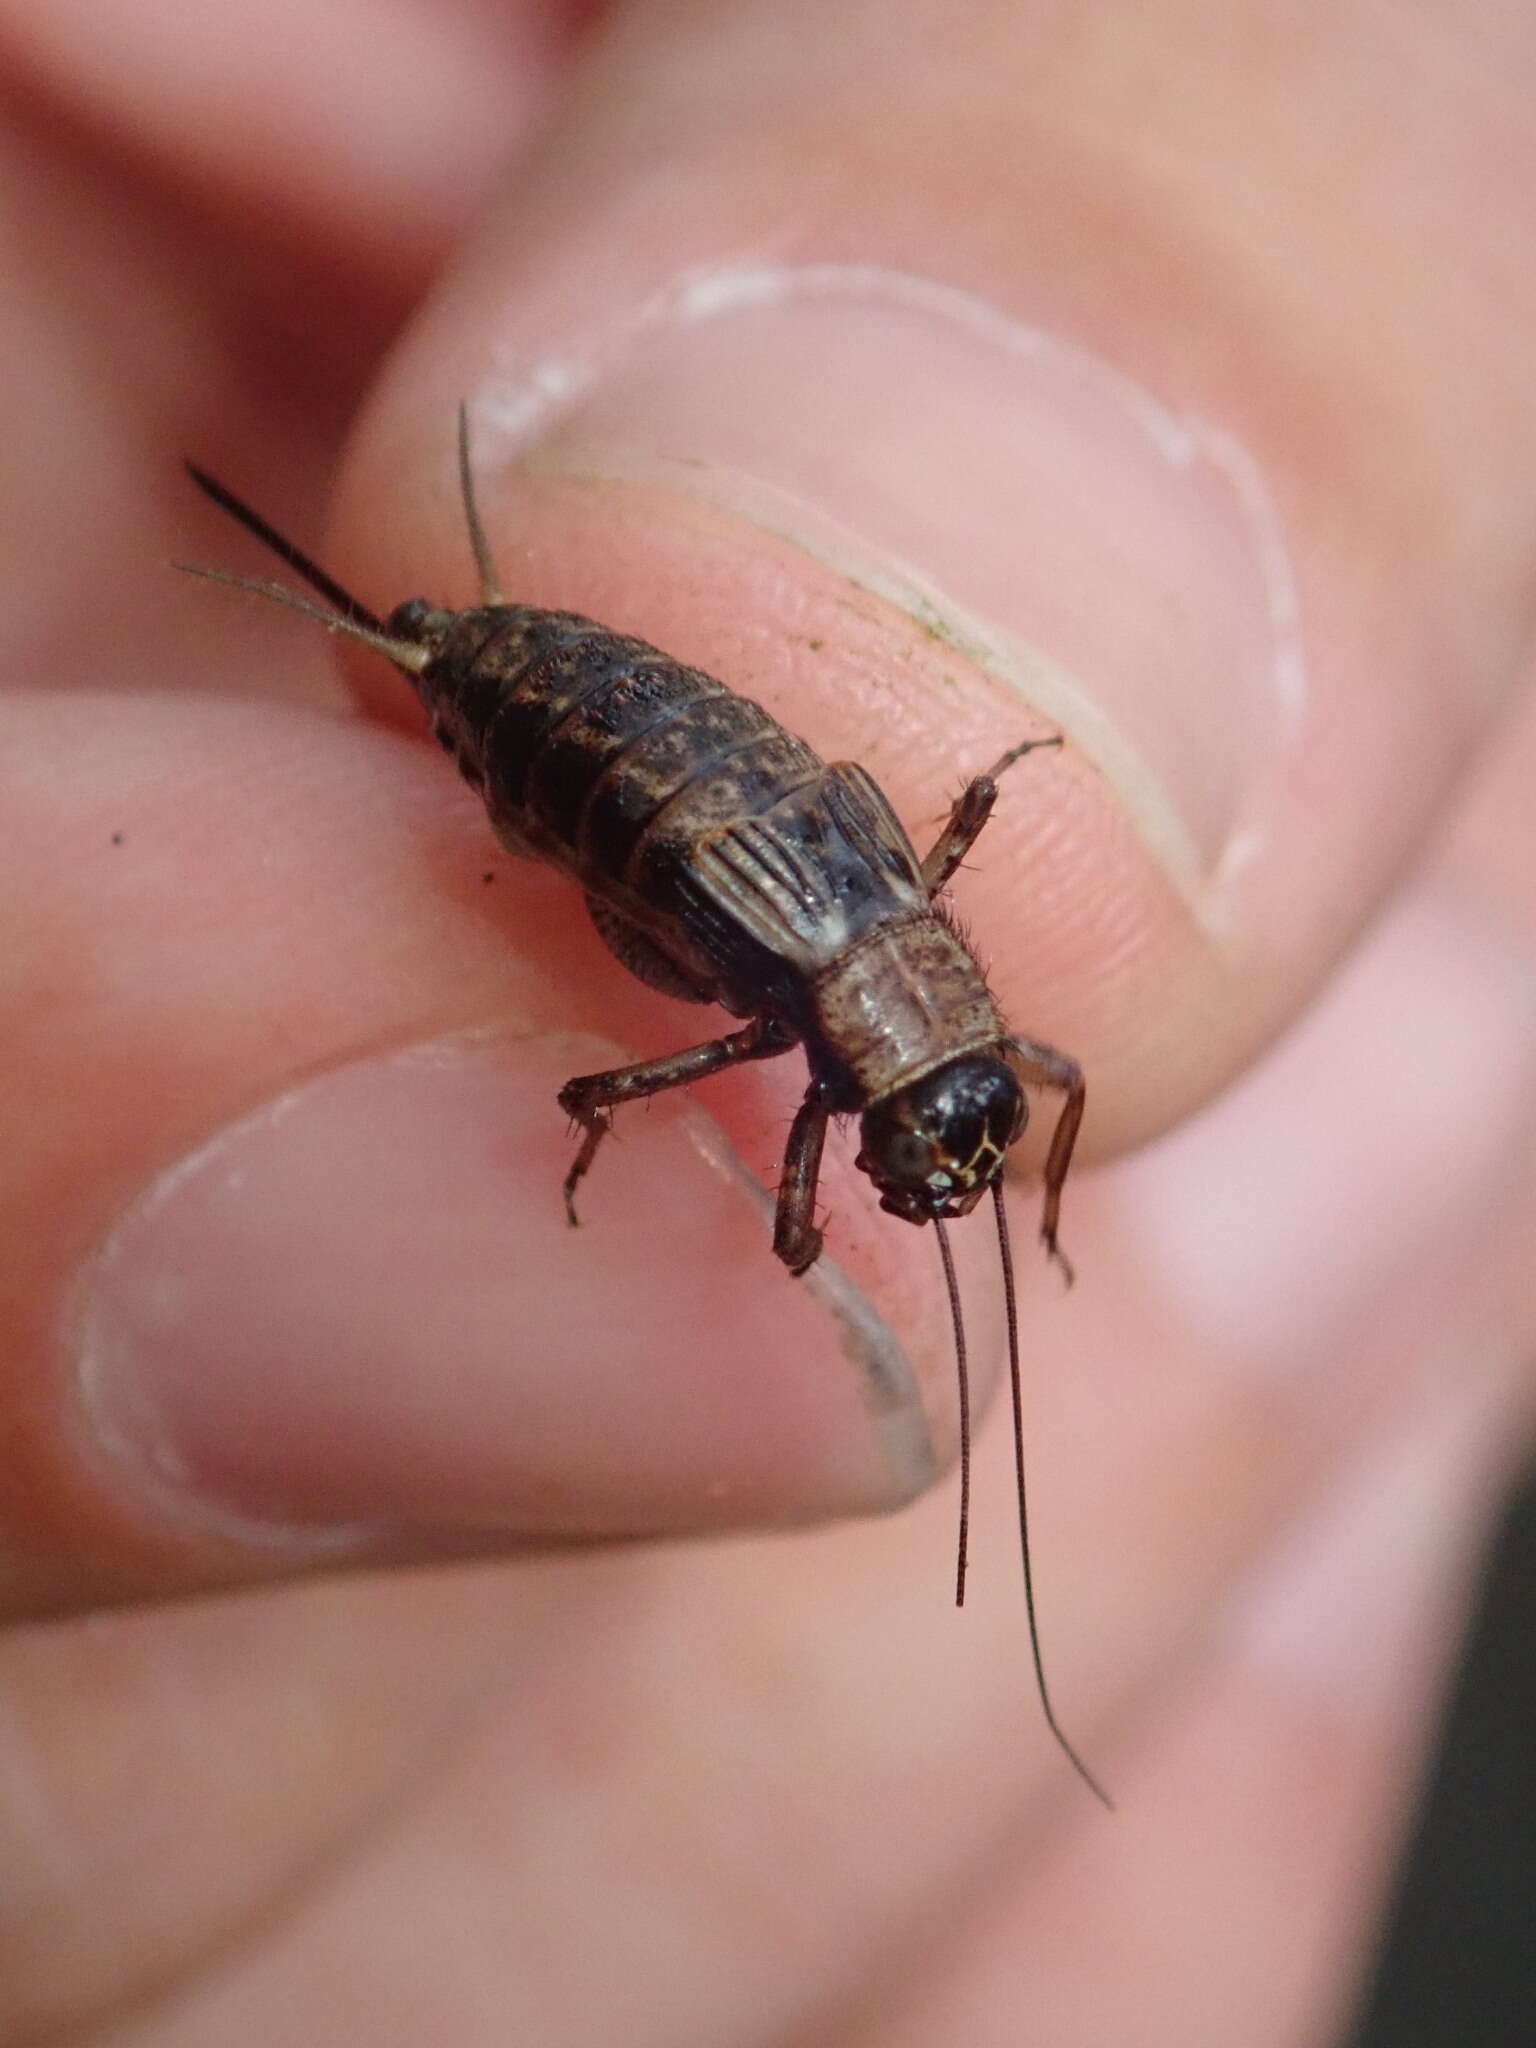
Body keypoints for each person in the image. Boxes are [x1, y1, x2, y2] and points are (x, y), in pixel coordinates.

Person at [4, 1, 1533, 2039]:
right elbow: (691, 1128)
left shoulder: (920, 957)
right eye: (949, 1127)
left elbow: (899, 1081)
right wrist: (685, 1165)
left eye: (951, 1131)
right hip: (581, 744)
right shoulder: (837, 1016)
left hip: (655, 767)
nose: (949, 1158)